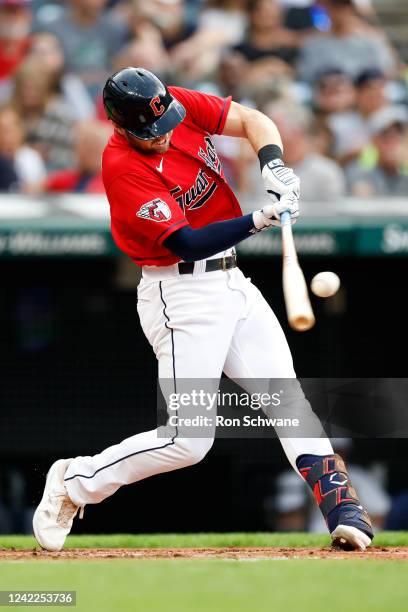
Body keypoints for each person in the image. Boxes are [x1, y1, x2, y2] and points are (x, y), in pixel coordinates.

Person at [32, 67, 373, 553]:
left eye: (167, 120)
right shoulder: (122, 166)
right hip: (180, 294)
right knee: (187, 441)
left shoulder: (174, 104)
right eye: (151, 131)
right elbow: (187, 243)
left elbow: (254, 121)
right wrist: (259, 218)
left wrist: (272, 165)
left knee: (287, 398)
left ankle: (343, 508)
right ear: (123, 127)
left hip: (232, 281)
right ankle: (75, 480)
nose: (165, 133)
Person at [297, 0, 397, 83]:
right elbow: (306, 75)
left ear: (352, 8)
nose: (339, 11)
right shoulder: (315, 42)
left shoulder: (373, 39)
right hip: (328, 96)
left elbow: (386, 71)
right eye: (334, 5)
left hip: (366, 96)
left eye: (343, 5)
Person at [345, 106, 408, 196]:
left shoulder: (405, 166)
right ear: (373, 139)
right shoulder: (360, 169)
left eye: (399, 132)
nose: (393, 139)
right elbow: (363, 201)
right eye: (385, 133)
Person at [0, 104, 46, 192]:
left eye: (11, 131)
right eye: (3, 131)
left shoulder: (31, 158)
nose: (8, 138)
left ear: (21, 132)